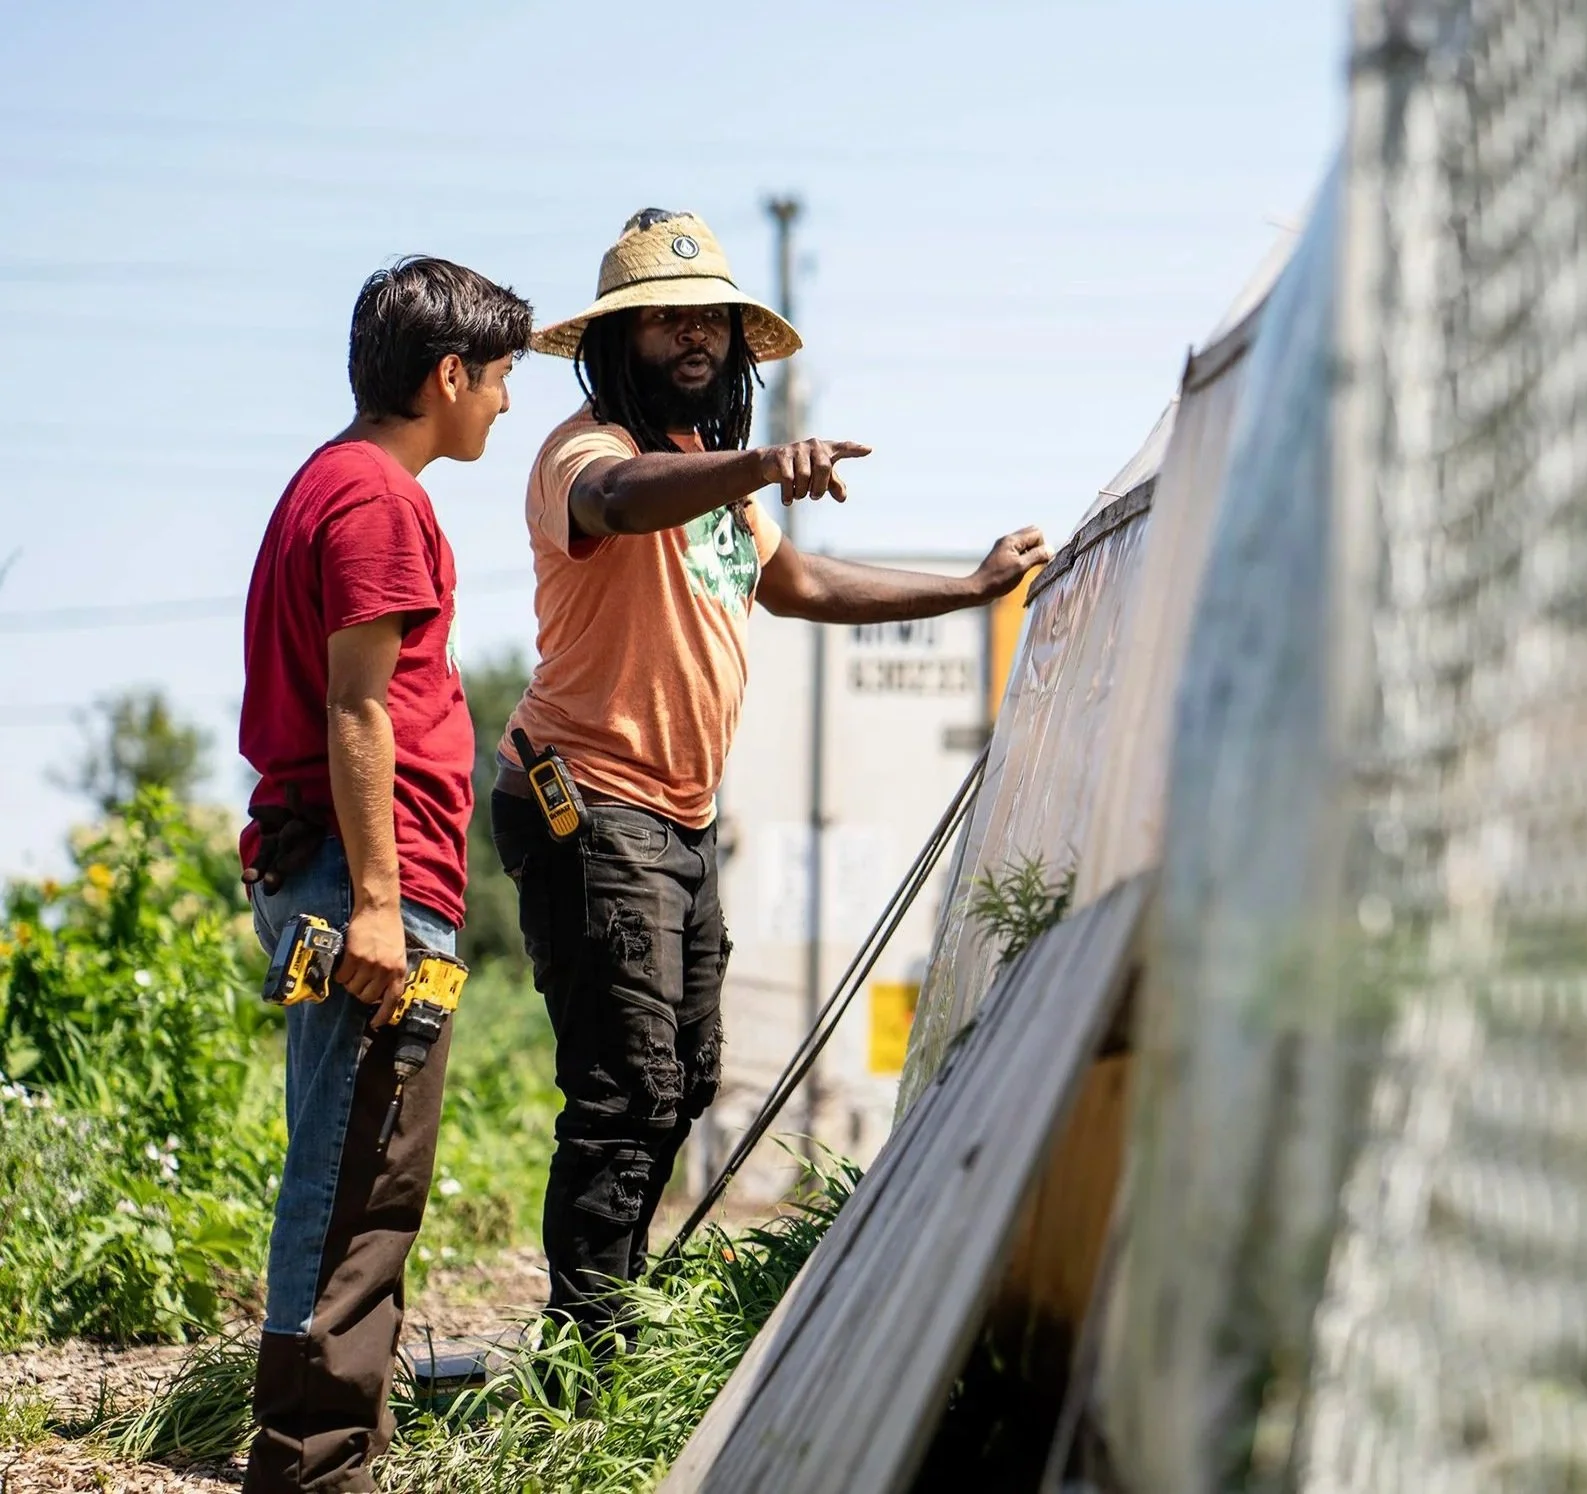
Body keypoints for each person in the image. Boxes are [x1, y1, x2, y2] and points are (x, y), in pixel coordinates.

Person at [491, 209, 1048, 1347]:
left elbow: (796, 583)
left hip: (676, 818)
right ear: (617, 342)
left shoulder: (707, 474)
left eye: (712, 320)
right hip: (586, 802)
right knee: (625, 1091)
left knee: (683, 1080)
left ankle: (612, 1311)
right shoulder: (585, 452)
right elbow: (617, 504)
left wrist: (969, 589)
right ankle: (588, 1351)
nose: (693, 336)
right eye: (665, 320)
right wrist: (760, 461)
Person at [237, 256, 531, 1491]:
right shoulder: (372, 501)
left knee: (358, 1171)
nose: (508, 405)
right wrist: (372, 907)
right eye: (501, 377)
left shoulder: (335, 483)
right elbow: (359, 709)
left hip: (362, 877)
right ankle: (312, 1466)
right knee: (356, 1184)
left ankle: (324, 1453)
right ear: (447, 373)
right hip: (372, 890)